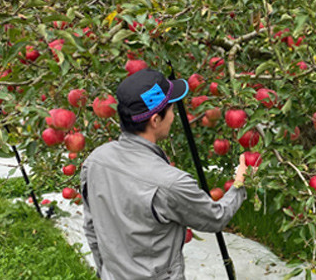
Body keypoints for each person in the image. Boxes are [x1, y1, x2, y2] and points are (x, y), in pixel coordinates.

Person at [81, 68, 249, 279]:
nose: (173, 116)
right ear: (155, 120)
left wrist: (104, 272)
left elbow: (91, 227)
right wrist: (240, 184)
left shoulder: (96, 160)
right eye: (170, 109)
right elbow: (215, 218)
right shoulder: (171, 183)